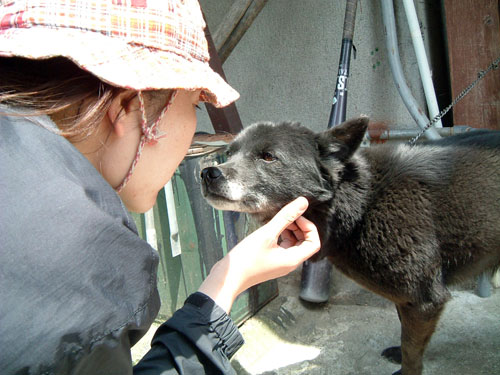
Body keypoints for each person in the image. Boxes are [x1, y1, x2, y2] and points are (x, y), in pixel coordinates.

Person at [0, 1, 320, 374]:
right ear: (128, 108)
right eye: (196, 106)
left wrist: (227, 278)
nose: (193, 136)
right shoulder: (79, 263)